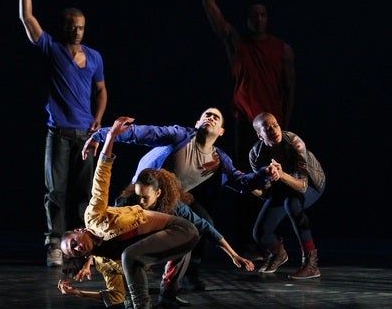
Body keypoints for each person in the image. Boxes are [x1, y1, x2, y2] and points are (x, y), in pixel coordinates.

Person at [83, 107, 277, 290]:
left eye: (216, 117)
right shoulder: (180, 136)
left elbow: (241, 182)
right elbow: (140, 133)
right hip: (140, 193)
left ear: (221, 131)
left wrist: (265, 173)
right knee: (115, 229)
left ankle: (187, 276)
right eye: (207, 115)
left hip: (170, 199)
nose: (210, 118)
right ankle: (100, 263)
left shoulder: (219, 159)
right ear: (197, 123)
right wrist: (101, 135)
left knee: (201, 225)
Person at [61, 116, 199, 309]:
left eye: (74, 243)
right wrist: (79, 293)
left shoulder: (94, 217)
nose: (78, 248)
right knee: (129, 263)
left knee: (129, 257)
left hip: (181, 231)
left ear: (79, 231)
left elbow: (101, 180)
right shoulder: (104, 262)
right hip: (168, 244)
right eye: (75, 252)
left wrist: (110, 137)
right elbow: (116, 294)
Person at [20, 0, 107, 267]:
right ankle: (54, 244)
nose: (77, 31)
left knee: (85, 194)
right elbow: (27, 17)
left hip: (85, 135)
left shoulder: (94, 56)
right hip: (58, 133)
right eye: (72, 27)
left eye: (81, 27)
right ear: (64, 26)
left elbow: (101, 90)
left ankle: (81, 245)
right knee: (55, 191)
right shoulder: (52, 48)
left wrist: (98, 118)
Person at [203, 0, 295, 143]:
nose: (259, 19)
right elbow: (209, 4)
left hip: (273, 125)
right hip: (245, 122)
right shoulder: (237, 43)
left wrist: (285, 127)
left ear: (267, 18)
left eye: (263, 15)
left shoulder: (282, 50)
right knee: (242, 163)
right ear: (247, 19)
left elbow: (289, 90)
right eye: (254, 15)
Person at [249, 112, 325, 279]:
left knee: (292, 203)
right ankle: (278, 254)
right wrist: (251, 187)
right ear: (259, 135)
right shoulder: (255, 154)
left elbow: (302, 186)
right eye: (267, 129)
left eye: (275, 125)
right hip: (282, 188)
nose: (274, 130)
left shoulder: (294, 143)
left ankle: (311, 265)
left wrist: (281, 175)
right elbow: (266, 193)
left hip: (311, 183)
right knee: (260, 233)